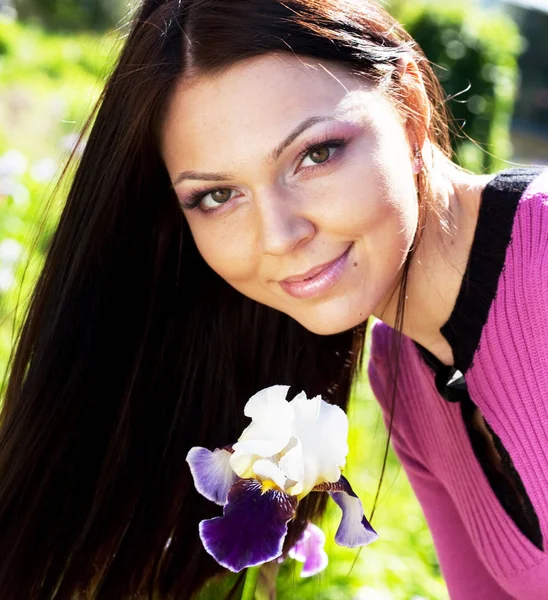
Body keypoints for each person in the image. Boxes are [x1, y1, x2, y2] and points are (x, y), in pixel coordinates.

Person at [0, 0, 546, 598]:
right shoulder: (403, 371)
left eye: (315, 154)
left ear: (410, 109)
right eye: (217, 196)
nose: (281, 236)